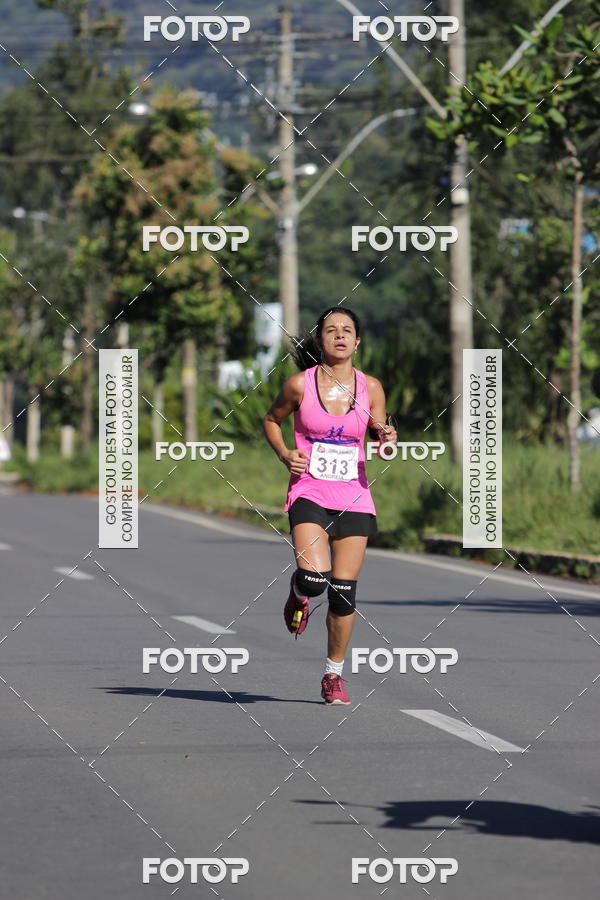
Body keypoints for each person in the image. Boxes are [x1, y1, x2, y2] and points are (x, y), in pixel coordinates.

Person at [263, 307, 397, 705]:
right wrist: (286, 454)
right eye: (330, 330)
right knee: (315, 579)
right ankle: (299, 592)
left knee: (342, 593)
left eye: (347, 330)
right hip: (309, 491)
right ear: (319, 340)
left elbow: (381, 437)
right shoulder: (298, 386)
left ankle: (333, 675)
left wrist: (387, 436)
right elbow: (271, 420)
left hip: (354, 494)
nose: (339, 336)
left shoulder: (370, 387)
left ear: (357, 342)